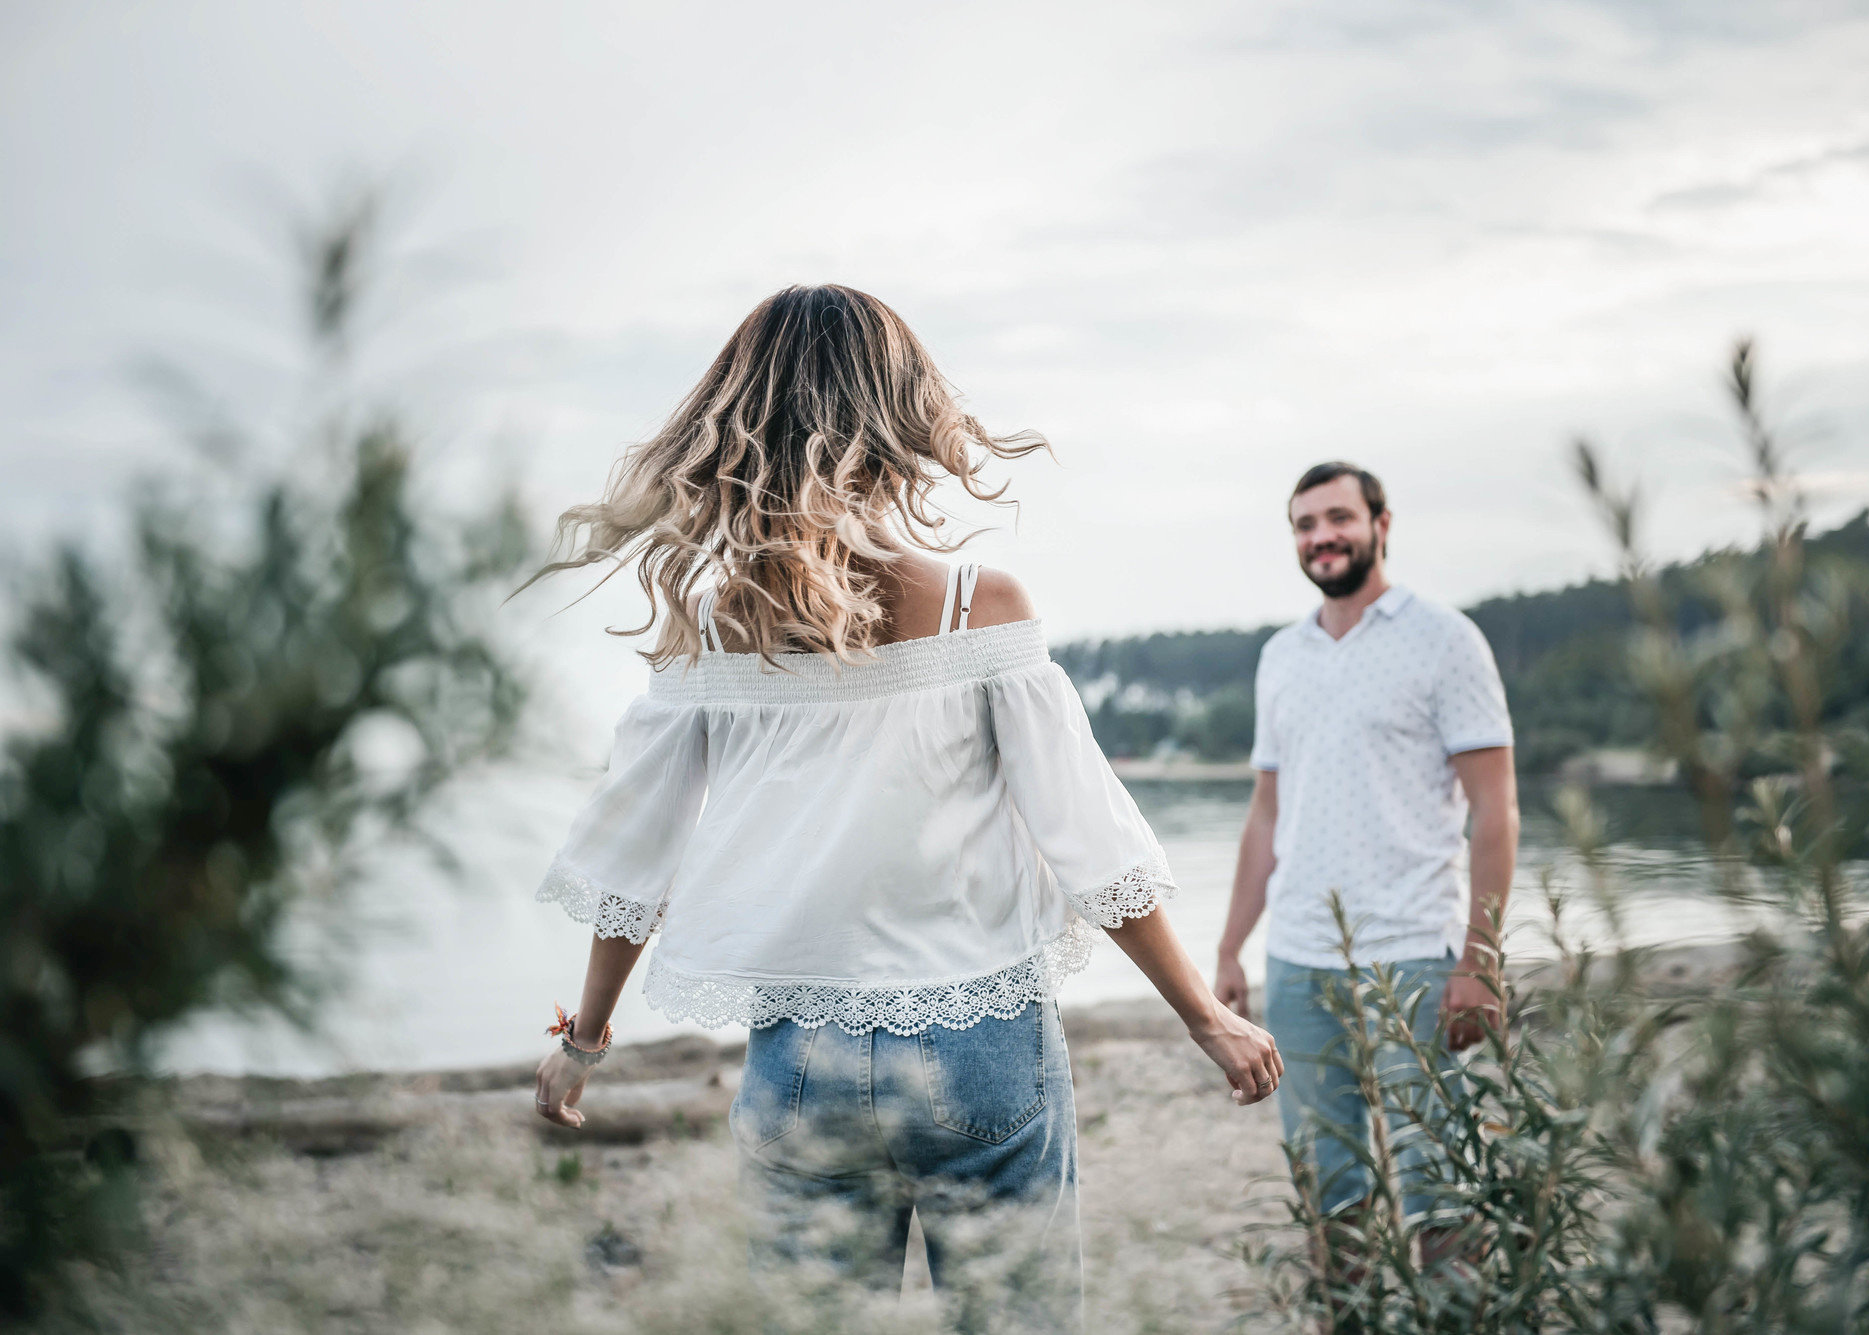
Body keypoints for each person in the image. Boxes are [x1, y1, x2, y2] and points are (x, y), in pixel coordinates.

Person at [522, 285, 1281, 1330]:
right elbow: (1088, 843)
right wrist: (1204, 1016)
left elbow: (633, 859)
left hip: (800, 1057)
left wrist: (585, 1042)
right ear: (898, 416)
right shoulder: (981, 607)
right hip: (980, 1042)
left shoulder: (712, 626)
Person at [1213, 461, 1518, 1228]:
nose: (1322, 536)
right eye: (1305, 524)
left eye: (1339, 518)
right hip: (1297, 960)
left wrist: (1481, 959)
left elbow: (1495, 809)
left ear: (1381, 525)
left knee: (1439, 1189)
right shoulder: (1281, 656)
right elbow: (1266, 815)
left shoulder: (1446, 640)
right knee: (1329, 1190)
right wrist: (1229, 948)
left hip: (1414, 955)